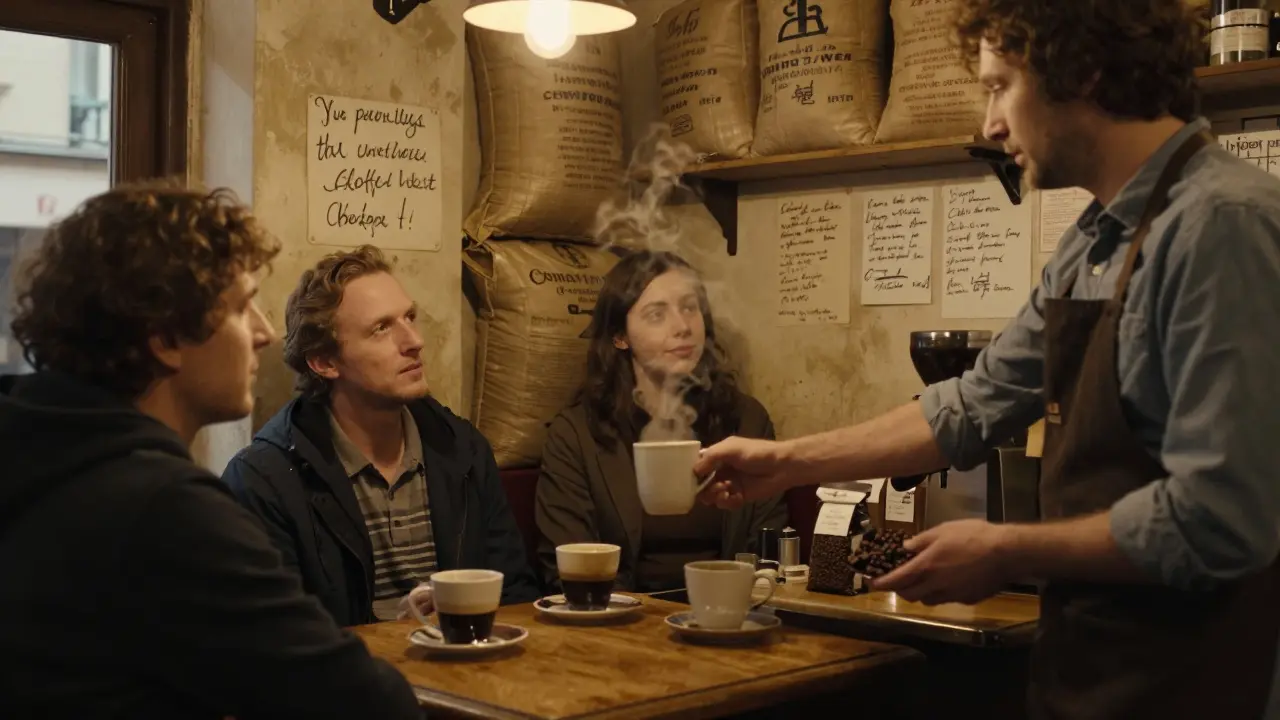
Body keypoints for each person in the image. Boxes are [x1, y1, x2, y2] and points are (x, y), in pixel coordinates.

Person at [697, 1, 1280, 718]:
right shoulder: (1090, 243)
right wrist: (786, 464)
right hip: (1087, 672)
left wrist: (1007, 550)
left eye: (1001, 85)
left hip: (1200, 683)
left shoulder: (1221, 227)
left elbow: (1220, 516)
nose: (989, 124)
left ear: (1084, 70)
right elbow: (974, 403)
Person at [0, 183, 419, 718]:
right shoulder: (163, 509)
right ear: (166, 337)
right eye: (243, 307)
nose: (265, 332)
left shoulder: (38, 453)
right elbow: (366, 704)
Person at [223, 245, 540, 627]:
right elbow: (276, 636)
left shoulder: (462, 449)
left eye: (410, 317)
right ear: (324, 362)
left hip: (468, 671)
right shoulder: (265, 479)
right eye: (381, 329)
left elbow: (517, 595)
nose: (414, 341)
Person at [536, 250, 788, 593]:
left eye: (689, 308)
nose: (682, 327)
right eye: (657, 314)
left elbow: (769, 549)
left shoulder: (745, 421)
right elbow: (567, 567)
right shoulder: (578, 434)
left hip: (729, 615)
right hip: (623, 626)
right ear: (619, 336)